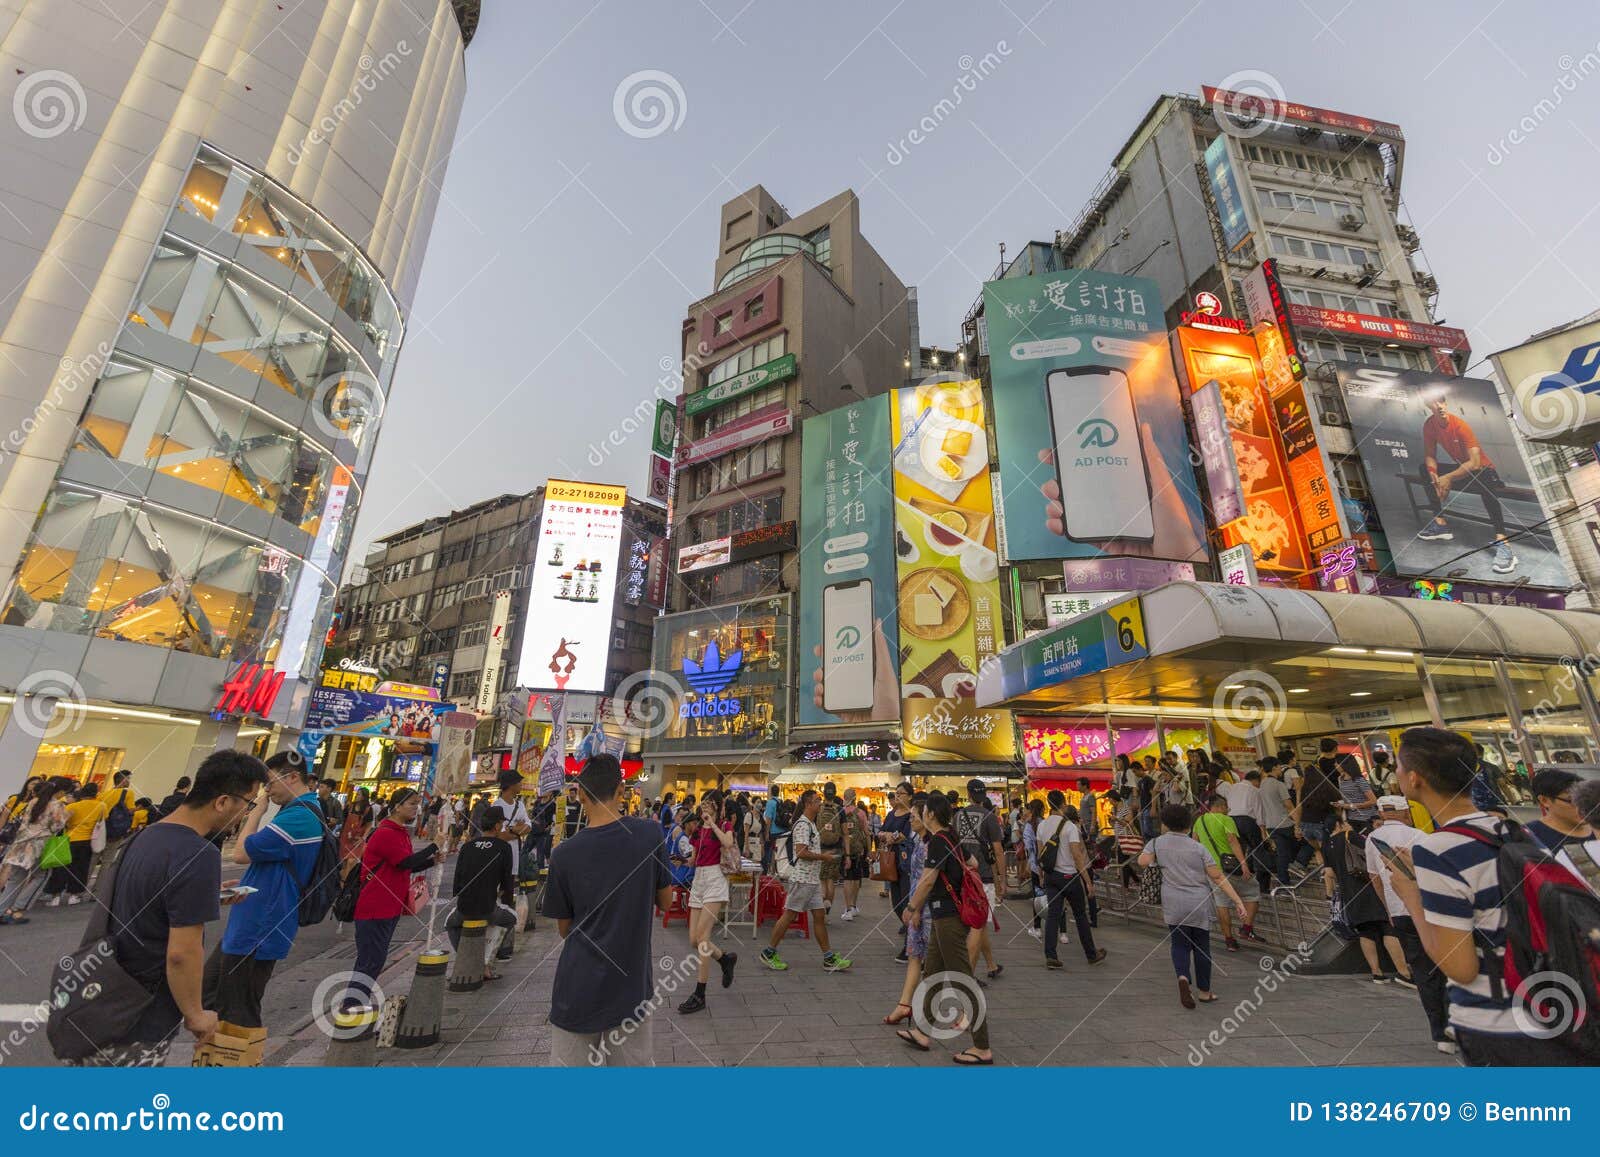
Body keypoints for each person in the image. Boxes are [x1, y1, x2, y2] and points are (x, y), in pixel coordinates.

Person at [1383, 726, 1591, 1065]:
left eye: (1399, 767)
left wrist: (1410, 895)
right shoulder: (1513, 831)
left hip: (1498, 1023)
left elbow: (1459, 966)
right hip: (1556, 1008)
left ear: (1415, 778)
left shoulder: (1438, 849)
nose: (1397, 774)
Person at [69, 751, 266, 1066]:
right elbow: (181, 953)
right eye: (249, 803)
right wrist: (195, 1014)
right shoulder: (199, 854)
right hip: (141, 1013)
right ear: (223, 802)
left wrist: (206, 896)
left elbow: (148, 897)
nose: (246, 813)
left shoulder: (148, 835)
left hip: (103, 996)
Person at [542, 755, 671, 1066]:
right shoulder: (650, 836)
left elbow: (565, 928)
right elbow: (665, 903)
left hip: (575, 989)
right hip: (631, 989)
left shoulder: (563, 855)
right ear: (622, 789)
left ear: (581, 793)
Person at [204, 751, 325, 1029]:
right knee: (211, 996)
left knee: (237, 1014)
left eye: (269, 783)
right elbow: (273, 865)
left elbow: (240, 853)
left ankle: (234, 1063)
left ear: (293, 777)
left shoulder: (299, 817)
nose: (266, 791)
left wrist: (256, 811)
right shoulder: (297, 812)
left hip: (260, 928)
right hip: (250, 919)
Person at [893, 791, 992, 1064]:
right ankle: (923, 1032)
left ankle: (982, 1047)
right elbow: (971, 863)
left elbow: (927, 880)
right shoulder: (951, 837)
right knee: (932, 973)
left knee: (964, 981)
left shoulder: (938, 840)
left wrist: (911, 907)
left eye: (922, 812)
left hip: (948, 918)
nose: (920, 815)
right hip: (942, 918)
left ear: (931, 814)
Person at [1138, 804, 1246, 1009]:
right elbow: (1217, 876)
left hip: (1173, 901)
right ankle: (1204, 992)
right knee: (1202, 947)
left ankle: (1183, 977)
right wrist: (1238, 901)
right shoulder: (1198, 848)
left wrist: (1158, 858)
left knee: (1179, 943)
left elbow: (1143, 861)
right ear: (1188, 825)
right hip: (1198, 901)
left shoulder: (1156, 843)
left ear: (1165, 823)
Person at [1365, 795, 1451, 1052]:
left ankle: (1440, 1034)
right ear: (1406, 813)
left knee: (1424, 973)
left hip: (1399, 913)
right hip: (1431, 911)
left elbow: (1374, 879)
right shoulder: (1421, 836)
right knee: (1447, 967)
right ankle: (1456, 1023)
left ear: (1381, 813)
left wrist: (1388, 908)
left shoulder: (1372, 839)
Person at [345, 787, 437, 1011]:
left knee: (374, 960)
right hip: (376, 905)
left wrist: (432, 861)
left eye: (418, 804)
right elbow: (405, 862)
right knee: (370, 961)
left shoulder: (399, 831)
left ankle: (357, 1004)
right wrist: (434, 845)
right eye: (412, 804)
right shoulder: (386, 832)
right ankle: (352, 1008)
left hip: (390, 905)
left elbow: (403, 864)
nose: (416, 808)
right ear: (396, 806)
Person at [1414, 393, 1518, 575]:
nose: (1439, 406)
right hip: (1463, 471)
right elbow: (1430, 454)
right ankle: (1441, 524)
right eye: (1434, 403)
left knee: (1484, 476)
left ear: (1445, 404)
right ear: (1428, 406)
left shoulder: (1461, 426)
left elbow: (1475, 463)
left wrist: (1448, 478)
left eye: (1441, 402)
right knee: (1424, 468)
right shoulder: (1429, 425)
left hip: (1483, 471)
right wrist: (1434, 474)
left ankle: (1504, 543)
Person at [761, 789, 851, 973]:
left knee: (819, 916)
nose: (820, 803)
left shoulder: (809, 823)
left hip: (811, 881)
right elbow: (801, 852)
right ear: (809, 804)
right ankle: (769, 952)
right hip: (802, 880)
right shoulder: (803, 824)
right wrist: (823, 857)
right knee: (789, 916)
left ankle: (828, 958)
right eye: (817, 801)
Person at [1322, 812, 1408, 984]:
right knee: (1387, 928)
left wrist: (1330, 895)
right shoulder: (1351, 836)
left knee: (1365, 932)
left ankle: (1377, 973)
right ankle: (1404, 973)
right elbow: (1371, 852)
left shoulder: (1326, 845)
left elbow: (1329, 873)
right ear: (1339, 824)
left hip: (1350, 894)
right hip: (1368, 888)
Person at [678, 791, 737, 1015]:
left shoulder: (722, 825)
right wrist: (682, 861)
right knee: (693, 939)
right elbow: (693, 859)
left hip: (715, 880)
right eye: (703, 804)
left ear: (719, 807)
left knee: (703, 939)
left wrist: (713, 824)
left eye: (710, 805)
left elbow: (728, 843)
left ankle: (699, 994)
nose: (705, 808)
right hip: (699, 880)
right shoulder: (696, 830)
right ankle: (724, 960)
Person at [1035, 791, 1106, 969]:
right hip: (1069, 876)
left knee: (1053, 915)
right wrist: (1088, 882)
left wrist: (1042, 876)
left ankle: (1050, 955)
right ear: (1064, 804)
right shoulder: (1070, 827)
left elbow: (1040, 854)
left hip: (1052, 877)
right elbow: (1077, 856)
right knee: (1080, 915)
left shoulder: (1042, 826)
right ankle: (1091, 953)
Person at [446, 803, 517, 978]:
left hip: (464, 907)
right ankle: (489, 961)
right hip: (488, 908)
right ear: (497, 825)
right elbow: (507, 881)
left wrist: (460, 895)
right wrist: (508, 901)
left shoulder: (468, 846)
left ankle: (464, 956)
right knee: (509, 919)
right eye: (502, 823)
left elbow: (458, 880)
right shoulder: (503, 847)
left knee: (451, 924)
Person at [883, 792, 931, 1025]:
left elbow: (927, 880)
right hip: (917, 906)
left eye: (914, 816)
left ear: (927, 817)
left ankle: (953, 1011)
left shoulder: (932, 844)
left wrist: (916, 907)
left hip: (930, 910)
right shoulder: (919, 841)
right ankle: (904, 1005)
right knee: (915, 957)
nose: (910, 819)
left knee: (935, 963)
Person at [1193, 794, 1261, 948]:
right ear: (1219, 806)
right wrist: (1244, 864)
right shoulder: (1226, 820)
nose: (1227, 810)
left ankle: (1229, 940)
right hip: (1231, 867)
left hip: (1211, 870)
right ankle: (1246, 928)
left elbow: (1195, 843)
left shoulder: (1199, 820)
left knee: (1222, 903)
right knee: (1252, 892)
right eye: (1225, 807)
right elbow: (1233, 841)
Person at [954, 778, 1005, 980]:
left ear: (968, 794)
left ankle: (991, 965)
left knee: (979, 923)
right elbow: (999, 850)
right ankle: (968, 975)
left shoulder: (957, 817)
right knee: (978, 925)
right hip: (983, 876)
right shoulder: (990, 817)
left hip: (962, 876)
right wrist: (1002, 879)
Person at [0, 779, 69, 921]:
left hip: (21, 843)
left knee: (15, 879)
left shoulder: (33, 801)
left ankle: (1, 910)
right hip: (40, 845)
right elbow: (56, 827)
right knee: (40, 876)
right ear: (61, 791)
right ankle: (18, 908)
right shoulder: (58, 805)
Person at [1522, 768, 1600, 891]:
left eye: (1583, 800)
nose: (1581, 806)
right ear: (1544, 800)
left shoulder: (1595, 825)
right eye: (1571, 801)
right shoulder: (1530, 837)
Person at [44, 782, 107, 906]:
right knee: (80, 869)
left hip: (69, 839)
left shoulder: (73, 806)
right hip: (87, 840)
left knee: (61, 868)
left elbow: (63, 822)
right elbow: (103, 819)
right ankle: (74, 895)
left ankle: (55, 896)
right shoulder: (101, 806)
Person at [879, 782, 915, 961]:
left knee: (906, 901)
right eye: (896, 793)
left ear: (909, 796)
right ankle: (915, 933)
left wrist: (891, 836)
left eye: (901, 793)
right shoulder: (892, 814)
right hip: (891, 862)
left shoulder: (912, 816)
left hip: (906, 862)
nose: (898, 796)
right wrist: (886, 836)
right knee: (896, 904)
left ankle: (910, 945)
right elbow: (881, 832)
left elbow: (906, 836)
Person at [837, 786, 871, 920]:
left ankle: (848, 909)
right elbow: (867, 833)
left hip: (845, 850)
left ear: (844, 798)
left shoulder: (840, 812)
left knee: (846, 879)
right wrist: (868, 851)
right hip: (858, 850)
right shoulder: (861, 813)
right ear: (855, 798)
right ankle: (854, 906)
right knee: (856, 878)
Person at [815, 781, 845, 909]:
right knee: (831, 880)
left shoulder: (818, 808)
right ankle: (828, 908)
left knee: (822, 879)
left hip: (820, 848)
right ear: (835, 793)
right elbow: (845, 832)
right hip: (836, 848)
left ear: (823, 793)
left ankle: (822, 911)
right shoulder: (839, 809)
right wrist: (847, 854)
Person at [1334, 753, 1379, 831]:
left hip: (1366, 819)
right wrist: (1340, 804)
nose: (1335, 765)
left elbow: (1373, 801)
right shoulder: (1340, 779)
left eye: (1337, 763)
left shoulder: (1359, 780)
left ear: (1344, 764)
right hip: (1351, 819)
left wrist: (1351, 806)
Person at [338, 788, 373, 881]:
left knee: (351, 861)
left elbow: (369, 825)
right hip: (346, 837)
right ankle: (342, 882)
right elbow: (343, 819)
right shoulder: (350, 806)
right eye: (357, 794)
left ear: (364, 797)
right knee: (344, 861)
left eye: (359, 794)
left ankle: (345, 883)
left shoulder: (368, 809)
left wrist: (364, 837)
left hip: (357, 839)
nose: (357, 796)